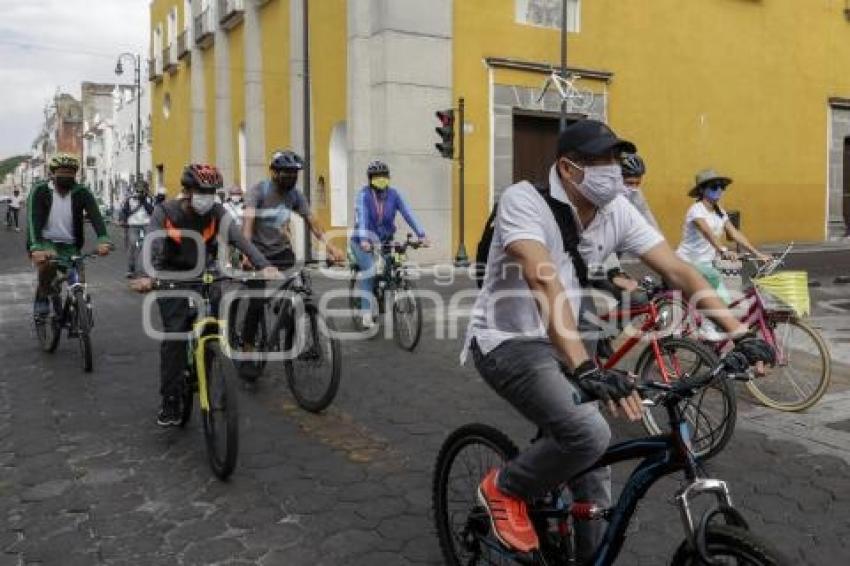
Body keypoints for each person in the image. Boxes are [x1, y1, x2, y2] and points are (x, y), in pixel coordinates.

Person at [465, 120, 776, 559]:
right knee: (588, 434)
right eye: (601, 161)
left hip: (570, 338)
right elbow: (542, 276)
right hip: (511, 341)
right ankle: (503, 488)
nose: (613, 169)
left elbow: (678, 271)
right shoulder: (523, 200)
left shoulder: (616, 209)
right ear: (569, 169)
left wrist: (740, 332)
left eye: (615, 159)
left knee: (592, 471)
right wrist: (585, 367)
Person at [130, 164, 281, 427]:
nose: (207, 196)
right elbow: (150, 245)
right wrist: (145, 275)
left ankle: (212, 362)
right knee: (175, 337)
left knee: (213, 326)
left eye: (212, 191)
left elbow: (239, 239)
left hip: (205, 273)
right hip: (171, 276)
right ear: (186, 191)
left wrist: (262, 264)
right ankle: (171, 399)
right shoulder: (165, 212)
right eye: (201, 191)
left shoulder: (216, 211)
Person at [238, 150, 344, 379]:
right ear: (274, 172)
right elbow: (248, 223)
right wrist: (246, 253)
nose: (291, 178)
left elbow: (313, 222)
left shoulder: (294, 195)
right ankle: (247, 350)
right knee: (256, 303)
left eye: (295, 174)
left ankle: (291, 327)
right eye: (287, 173)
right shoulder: (258, 191)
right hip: (255, 254)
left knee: (300, 284)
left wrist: (330, 246)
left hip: (282, 252)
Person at [27, 154, 111, 317]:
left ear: (75, 174)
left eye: (70, 172)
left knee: (78, 279)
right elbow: (33, 218)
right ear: (53, 173)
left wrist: (103, 239)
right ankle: (42, 297)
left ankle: (77, 311)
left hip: (70, 244)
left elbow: (96, 216)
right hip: (45, 241)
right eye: (62, 171)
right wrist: (36, 247)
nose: (66, 175)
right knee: (48, 267)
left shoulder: (82, 192)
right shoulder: (40, 190)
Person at [350, 160, 430, 329]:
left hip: (385, 240)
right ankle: (365, 314)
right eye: (376, 177)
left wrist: (421, 234)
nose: (380, 179)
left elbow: (408, 213)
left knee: (393, 265)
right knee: (370, 271)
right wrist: (364, 240)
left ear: (388, 178)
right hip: (362, 242)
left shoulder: (394, 195)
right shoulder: (363, 195)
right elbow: (362, 218)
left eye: (383, 176)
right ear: (370, 179)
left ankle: (391, 288)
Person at [676, 169, 771, 305]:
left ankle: (709, 325)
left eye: (722, 187)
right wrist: (723, 251)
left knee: (725, 303)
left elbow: (734, 233)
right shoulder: (696, 210)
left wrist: (758, 253)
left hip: (707, 265)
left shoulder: (719, 211)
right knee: (714, 304)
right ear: (702, 190)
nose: (719, 190)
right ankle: (707, 326)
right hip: (688, 263)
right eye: (714, 187)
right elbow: (707, 232)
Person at [119, 179, 155, 278]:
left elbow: (152, 211)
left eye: (142, 189)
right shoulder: (130, 199)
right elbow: (124, 211)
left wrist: (143, 201)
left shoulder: (150, 199)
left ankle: (147, 269)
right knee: (132, 244)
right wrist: (122, 220)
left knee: (147, 246)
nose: (140, 191)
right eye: (138, 189)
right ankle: (131, 268)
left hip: (147, 224)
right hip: (133, 225)